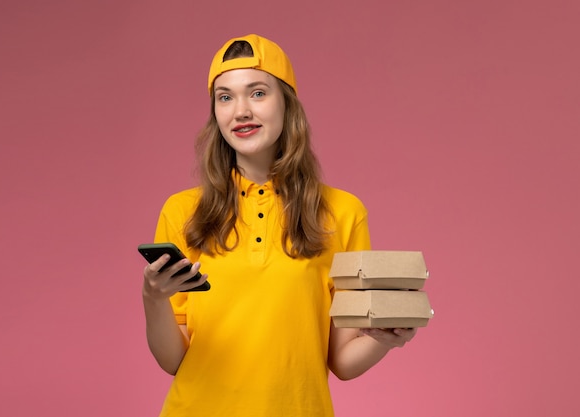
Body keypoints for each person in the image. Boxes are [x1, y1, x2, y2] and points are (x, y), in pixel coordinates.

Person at [142, 34, 417, 417]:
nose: (240, 111)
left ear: (288, 104)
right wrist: (153, 298)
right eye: (225, 97)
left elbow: (342, 360)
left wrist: (387, 338)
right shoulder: (183, 212)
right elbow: (173, 360)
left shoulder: (343, 212)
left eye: (257, 93)